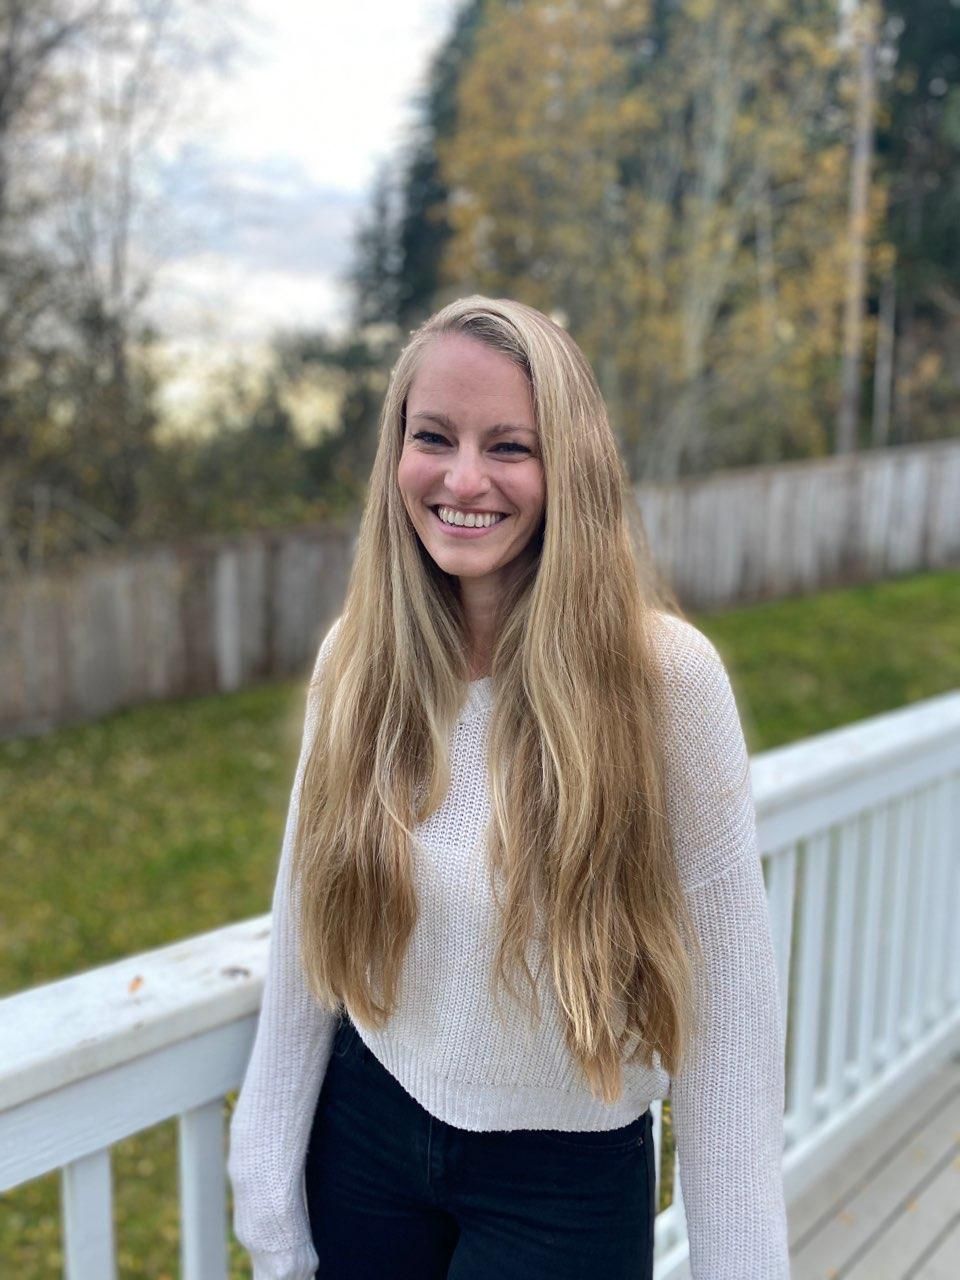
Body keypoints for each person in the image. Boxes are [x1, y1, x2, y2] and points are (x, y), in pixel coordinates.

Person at [227, 295, 790, 1280]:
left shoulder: (666, 683)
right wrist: (266, 1177)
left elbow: (730, 1015)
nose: (462, 477)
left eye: (510, 446)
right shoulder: (357, 662)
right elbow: (304, 911)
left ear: (569, 464)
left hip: (563, 1179)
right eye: (433, 436)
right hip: (366, 1137)